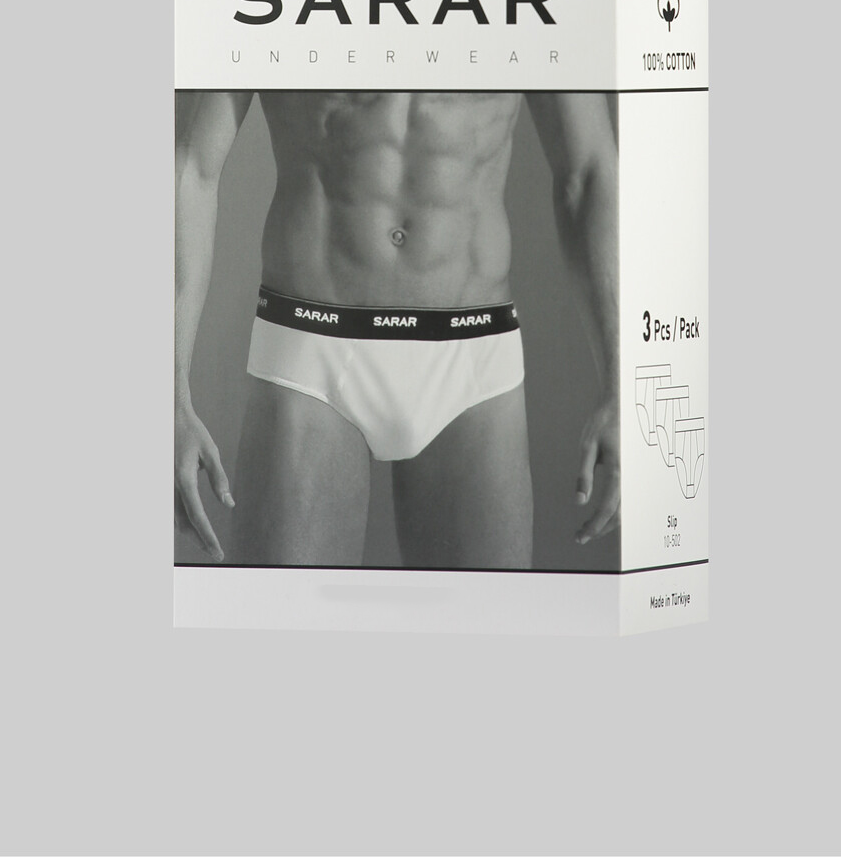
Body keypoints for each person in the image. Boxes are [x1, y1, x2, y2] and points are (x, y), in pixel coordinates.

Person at [174, 90, 619, 568]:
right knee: (288, 614)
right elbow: (190, 164)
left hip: (473, 353)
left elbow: (588, 172)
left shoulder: (532, 34)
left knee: (484, 616)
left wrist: (622, 383)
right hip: (312, 346)